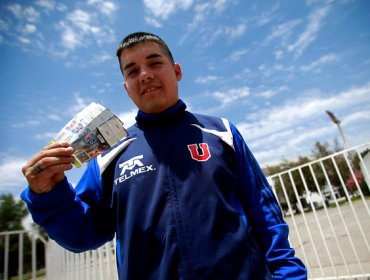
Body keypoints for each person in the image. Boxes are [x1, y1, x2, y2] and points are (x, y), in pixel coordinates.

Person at [21, 32, 307, 279]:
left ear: (177, 71)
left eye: (155, 63)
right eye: (132, 71)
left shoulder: (223, 133)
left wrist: (289, 274)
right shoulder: (108, 156)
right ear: (126, 87)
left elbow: (264, 213)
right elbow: (83, 234)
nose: (144, 74)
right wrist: (48, 194)